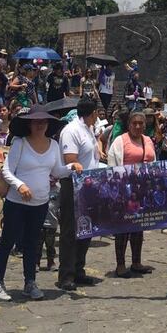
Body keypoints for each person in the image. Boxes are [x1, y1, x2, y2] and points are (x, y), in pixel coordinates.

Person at [0, 107, 82, 302]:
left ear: (48, 124)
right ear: (29, 124)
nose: (40, 125)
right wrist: (20, 185)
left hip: (40, 203)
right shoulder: (20, 143)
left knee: (32, 244)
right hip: (16, 202)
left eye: (43, 121)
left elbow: (57, 170)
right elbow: (6, 171)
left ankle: (30, 282)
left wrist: (72, 167)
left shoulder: (54, 145)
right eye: (36, 121)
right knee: (8, 242)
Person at [57, 99, 100, 291]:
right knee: (69, 231)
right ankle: (66, 275)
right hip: (73, 185)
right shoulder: (71, 130)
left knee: (86, 229)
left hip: (90, 184)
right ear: (93, 113)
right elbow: (70, 159)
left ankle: (78, 270)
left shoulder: (89, 129)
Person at [106, 110, 156, 277]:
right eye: (134, 123)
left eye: (141, 123)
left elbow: (153, 163)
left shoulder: (148, 140)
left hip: (142, 191)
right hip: (123, 190)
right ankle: (120, 264)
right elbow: (112, 165)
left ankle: (136, 262)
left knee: (139, 227)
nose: (137, 126)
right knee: (123, 227)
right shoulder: (120, 141)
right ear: (128, 125)